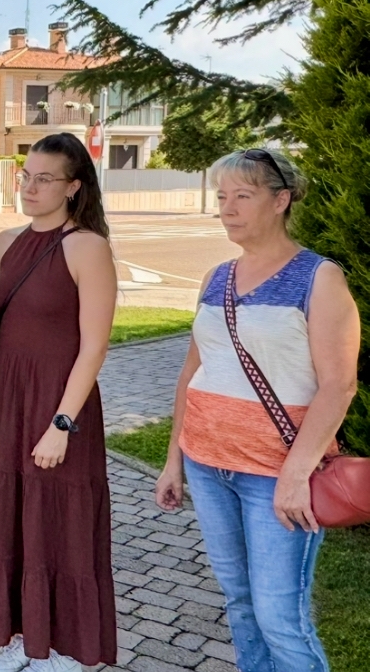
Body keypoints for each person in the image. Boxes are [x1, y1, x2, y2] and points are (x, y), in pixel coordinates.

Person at [154, 149, 359, 672]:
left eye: (242, 196)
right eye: (222, 196)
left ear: (281, 200)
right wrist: (175, 460)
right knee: (241, 604)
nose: (227, 208)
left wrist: (295, 474)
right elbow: (193, 373)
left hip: (274, 474)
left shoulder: (318, 278)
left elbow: (339, 385)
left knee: (280, 620)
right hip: (207, 464)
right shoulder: (216, 278)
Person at [0, 133, 118, 672]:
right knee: (11, 522)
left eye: (44, 179)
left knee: (61, 525)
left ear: (73, 187)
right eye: (25, 175)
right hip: (7, 405)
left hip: (60, 406)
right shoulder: (4, 243)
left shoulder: (87, 247)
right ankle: (21, 639)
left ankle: (64, 651)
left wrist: (62, 423)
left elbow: (94, 346)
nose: (29, 187)